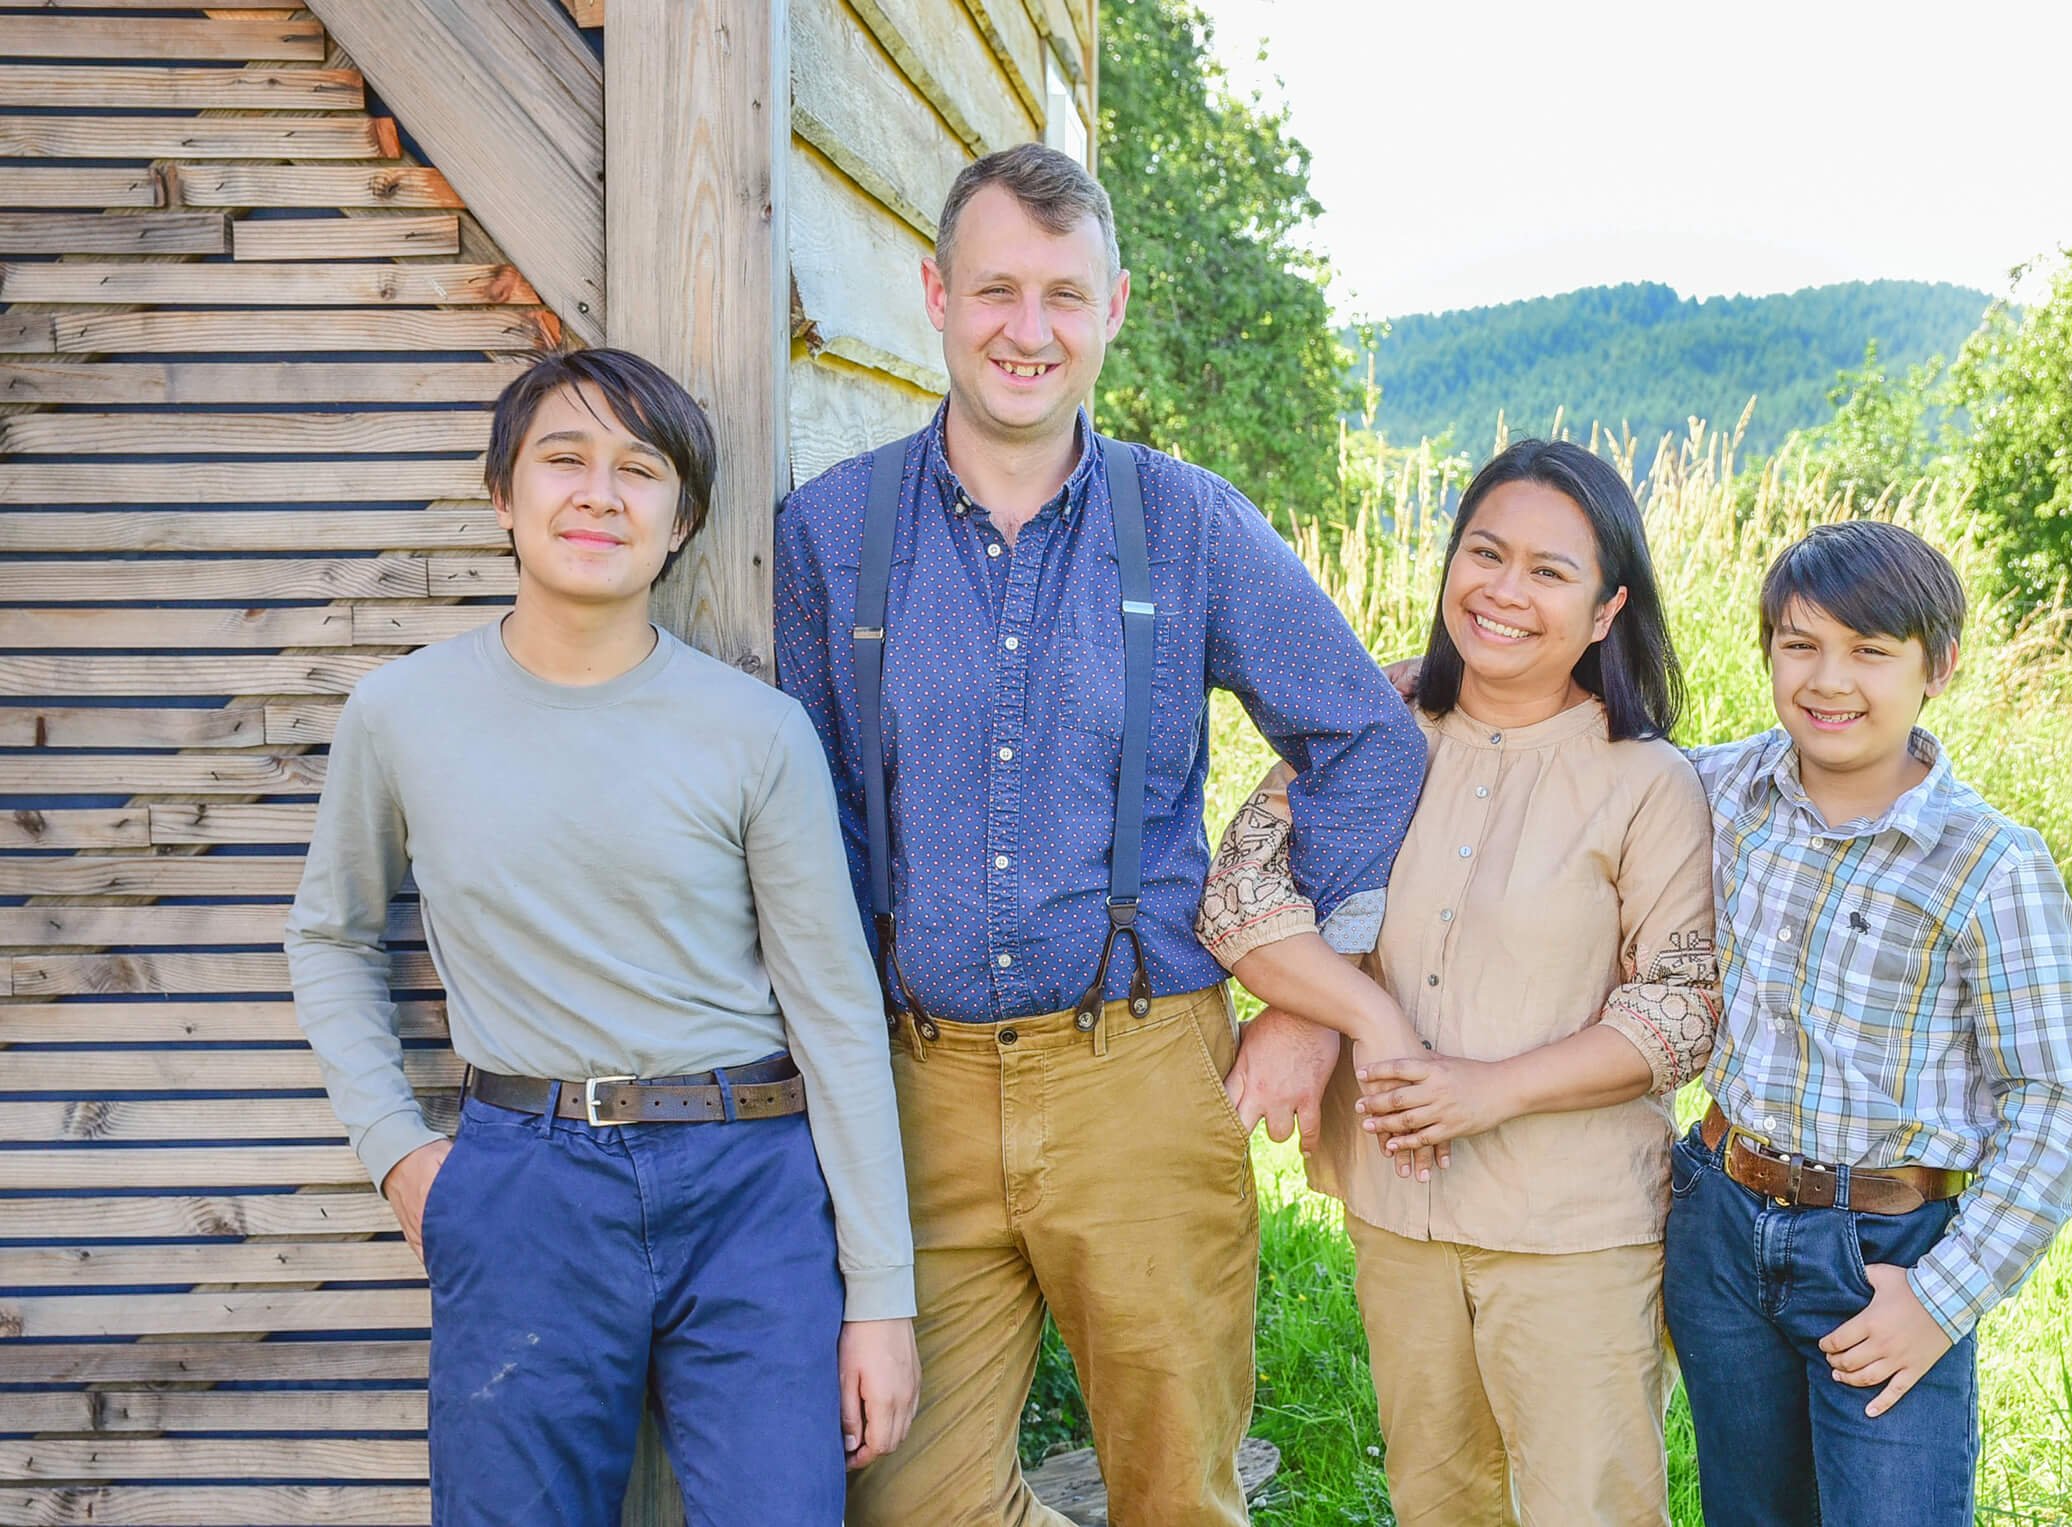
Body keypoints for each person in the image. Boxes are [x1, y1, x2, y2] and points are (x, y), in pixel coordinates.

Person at [773, 144, 1423, 1525]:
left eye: (1064, 294)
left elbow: (1367, 740)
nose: (1029, 329)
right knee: (910, 1502)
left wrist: (1314, 1006)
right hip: (910, 1088)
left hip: (1140, 1072)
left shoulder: (1185, 522)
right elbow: (802, 815)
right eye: (998, 289)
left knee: (1179, 1492)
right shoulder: (830, 533)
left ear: (1113, 307)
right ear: (936, 294)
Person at [287, 348, 919, 1524]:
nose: (599, 493)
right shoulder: (402, 713)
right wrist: (395, 1144)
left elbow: (835, 1012)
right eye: (562, 459)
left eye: (641, 470)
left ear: (679, 523)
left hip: (749, 1185)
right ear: (502, 495)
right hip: (521, 1184)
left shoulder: (756, 733)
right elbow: (330, 935)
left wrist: (880, 1297)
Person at [1199, 439, 1720, 1525]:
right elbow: (1240, 898)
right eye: (1485, 554)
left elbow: (1681, 1007)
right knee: (1437, 1499)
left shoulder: (1646, 783)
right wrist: (1371, 1019)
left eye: (1549, 571)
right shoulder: (1373, 734)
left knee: (1589, 1507)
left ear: (1606, 608)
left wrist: (1487, 1089)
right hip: (1399, 1203)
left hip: (1572, 1223)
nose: (1504, 591)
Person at [1666, 520, 2072, 1527]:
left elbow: (2057, 1106)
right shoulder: (1720, 789)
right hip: (1722, 1222)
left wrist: (1940, 1297)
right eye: (1799, 645)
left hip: (1883, 1257)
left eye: (1870, 651)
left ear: (1936, 667)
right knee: (1750, 1509)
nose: (1829, 681)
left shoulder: (1988, 865)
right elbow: (1581, 763)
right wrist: (1426, 677)